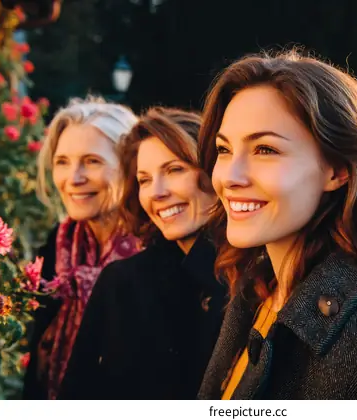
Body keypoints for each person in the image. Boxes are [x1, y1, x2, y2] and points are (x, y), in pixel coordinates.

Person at [196, 50, 357, 400]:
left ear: (337, 170)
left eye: (265, 150)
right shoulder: (253, 294)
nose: (230, 176)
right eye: (224, 149)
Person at [58, 107, 227, 399]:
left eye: (174, 170)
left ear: (215, 172)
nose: (157, 192)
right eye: (144, 180)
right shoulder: (122, 282)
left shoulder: (258, 276)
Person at [23, 97, 142, 400]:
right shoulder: (58, 245)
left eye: (92, 161)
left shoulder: (154, 256)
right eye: (62, 161)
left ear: (130, 167)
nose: (73, 178)